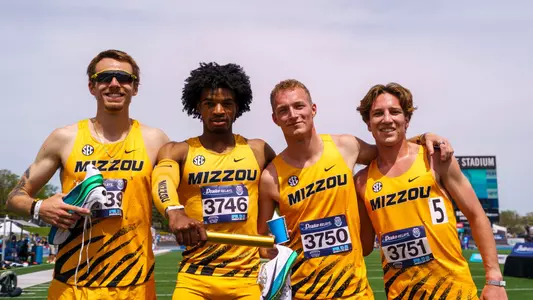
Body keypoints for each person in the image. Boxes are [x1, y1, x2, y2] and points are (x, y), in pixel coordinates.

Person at [257, 79, 454, 299]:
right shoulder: (270, 177)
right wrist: (276, 247)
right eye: (283, 110)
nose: (293, 115)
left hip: (355, 293)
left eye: (299, 106)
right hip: (304, 293)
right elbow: (263, 238)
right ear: (275, 119)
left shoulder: (346, 147)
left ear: (313, 109)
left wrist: (423, 137)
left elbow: (390, 150)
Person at [6, 49, 169, 299]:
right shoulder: (65, 138)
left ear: (135, 88)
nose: (114, 84)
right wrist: (39, 208)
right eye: (105, 77)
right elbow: (15, 197)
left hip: (135, 285)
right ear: (92, 86)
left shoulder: (155, 140)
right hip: (72, 285)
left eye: (123, 78)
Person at [354, 83, 508, 299]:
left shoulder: (435, 158)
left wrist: (494, 279)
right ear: (368, 124)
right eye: (378, 114)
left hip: (456, 292)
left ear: (406, 120)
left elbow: (476, 215)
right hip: (401, 294)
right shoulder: (361, 181)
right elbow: (365, 245)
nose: (387, 119)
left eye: (395, 112)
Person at [151, 62, 276, 299]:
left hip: (247, 279)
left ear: (237, 108)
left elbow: (286, 192)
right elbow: (162, 180)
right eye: (210, 104)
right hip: (195, 279)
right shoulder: (178, 151)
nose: (218, 110)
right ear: (198, 108)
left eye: (227, 104)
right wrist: (175, 211)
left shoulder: (258, 150)